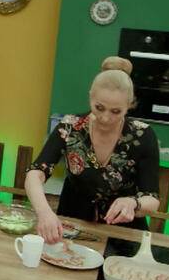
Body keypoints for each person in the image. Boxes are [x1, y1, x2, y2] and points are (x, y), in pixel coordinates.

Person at [24, 56, 160, 243]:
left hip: (122, 233)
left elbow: (152, 200)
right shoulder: (70, 127)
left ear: (129, 105)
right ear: (91, 97)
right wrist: (44, 213)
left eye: (116, 111)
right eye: (99, 107)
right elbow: (35, 173)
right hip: (73, 226)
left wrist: (133, 203)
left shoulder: (142, 135)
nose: (105, 117)